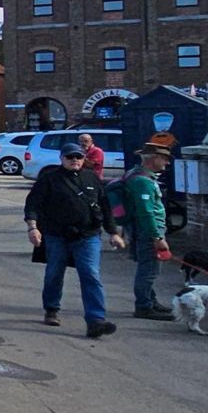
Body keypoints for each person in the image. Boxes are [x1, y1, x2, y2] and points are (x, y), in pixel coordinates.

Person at [25, 143, 127, 338]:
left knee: (90, 274)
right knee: (54, 273)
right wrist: (33, 227)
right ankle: (52, 308)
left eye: (78, 157)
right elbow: (32, 205)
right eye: (70, 157)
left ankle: (96, 320)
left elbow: (105, 208)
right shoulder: (49, 180)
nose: (75, 160)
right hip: (57, 235)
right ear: (62, 158)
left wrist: (113, 232)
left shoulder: (92, 178)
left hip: (88, 236)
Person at [117, 145, 176, 320]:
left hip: (141, 229)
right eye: (164, 158)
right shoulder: (142, 181)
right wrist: (157, 237)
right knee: (149, 269)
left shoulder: (136, 175)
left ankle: (150, 300)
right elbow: (146, 211)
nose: (167, 162)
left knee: (148, 267)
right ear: (153, 158)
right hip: (148, 231)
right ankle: (144, 306)